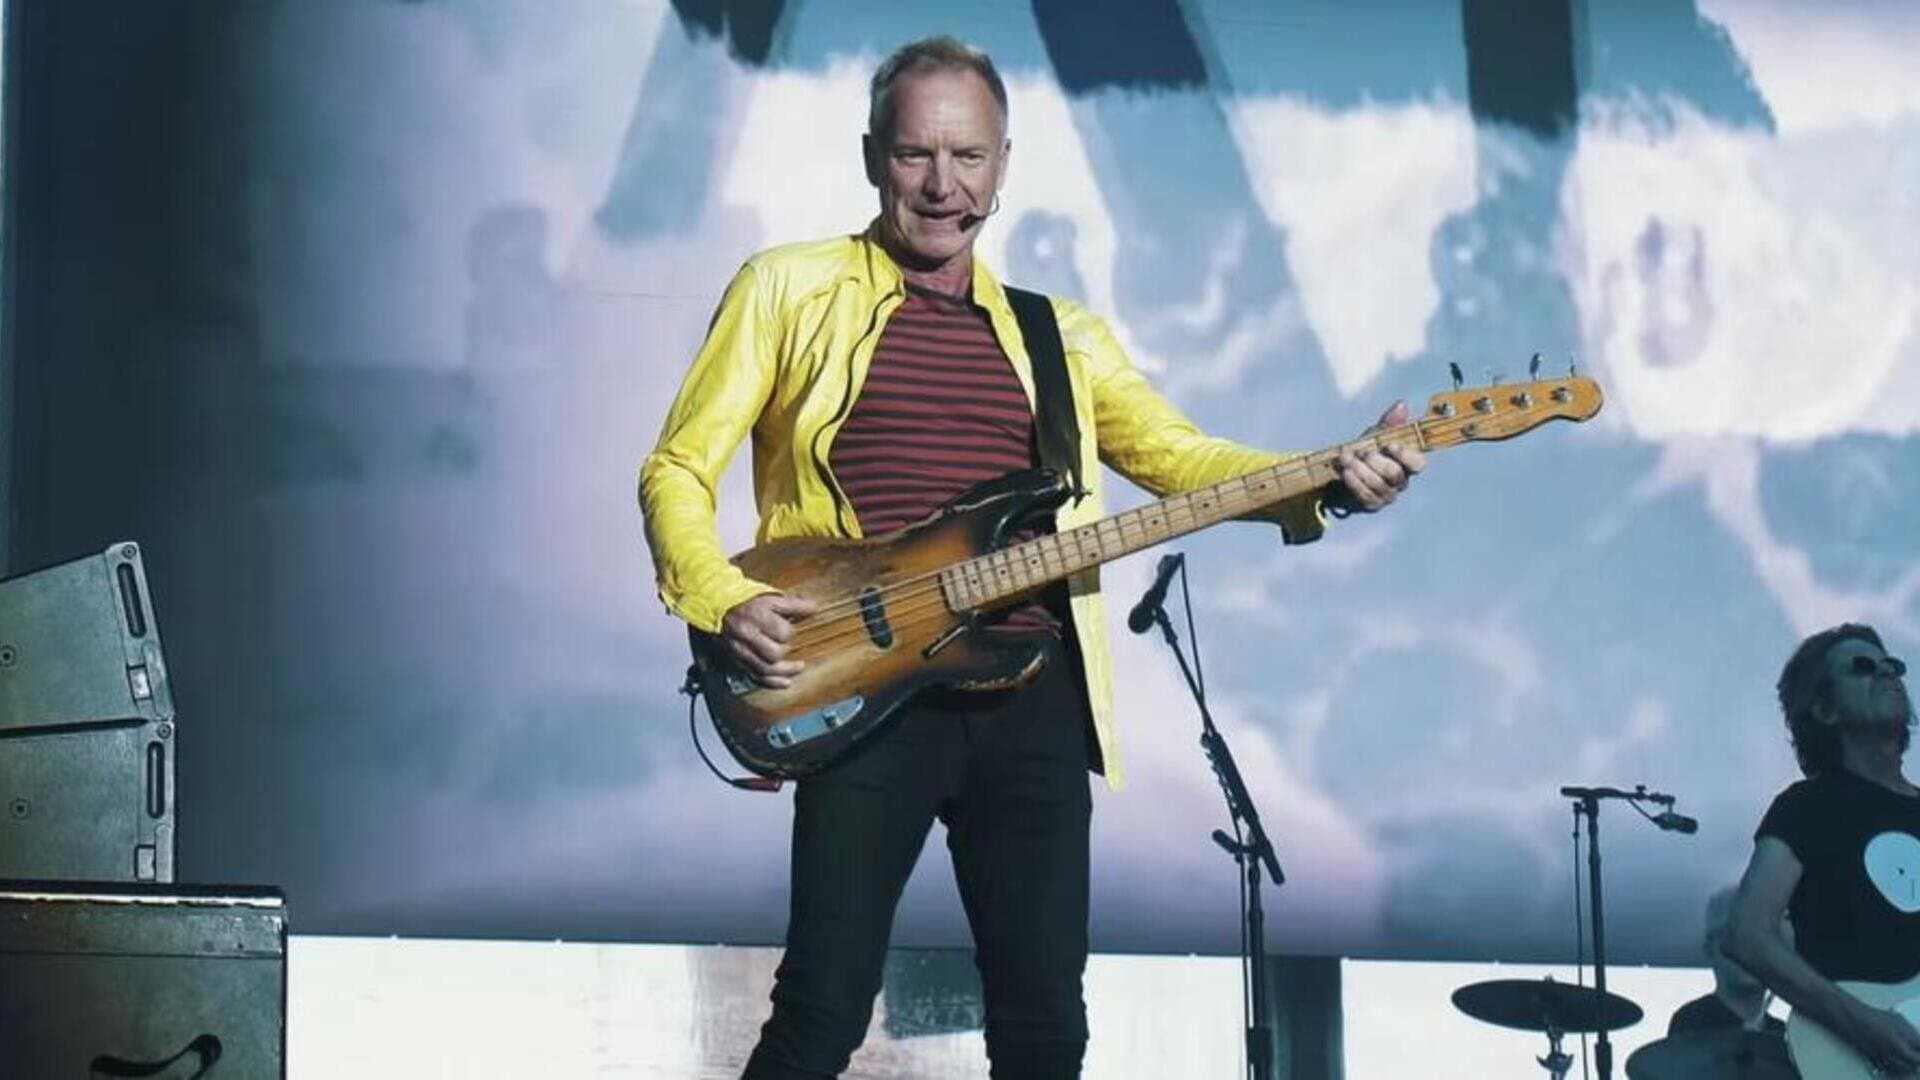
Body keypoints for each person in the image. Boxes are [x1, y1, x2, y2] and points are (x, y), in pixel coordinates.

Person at [638, 36, 1422, 1079]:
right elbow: (677, 468)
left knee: (1047, 1022)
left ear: (1004, 166)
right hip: (864, 686)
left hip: (1029, 700)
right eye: (917, 155)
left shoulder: (1061, 339)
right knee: (821, 1013)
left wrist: (1330, 474)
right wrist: (722, 595)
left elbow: (1186, 461)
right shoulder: (786, 289)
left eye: (967, 158)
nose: (941, 184)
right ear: (874, 157)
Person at [1725, 622, 1920, 1076]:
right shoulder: (1806, 807)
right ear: (1825, 709)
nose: (1887, 674)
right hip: (1856, 1054)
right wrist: (1862, 1025)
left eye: (1892, 665)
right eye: (1863, 667)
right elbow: (1746, 934)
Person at [1667, 886, 1785, 1036]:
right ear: (1709, 949)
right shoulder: (1691, 1022)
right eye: (1735, 936)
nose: (1749, 950)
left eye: (1759, 939)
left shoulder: (1784, 1035)